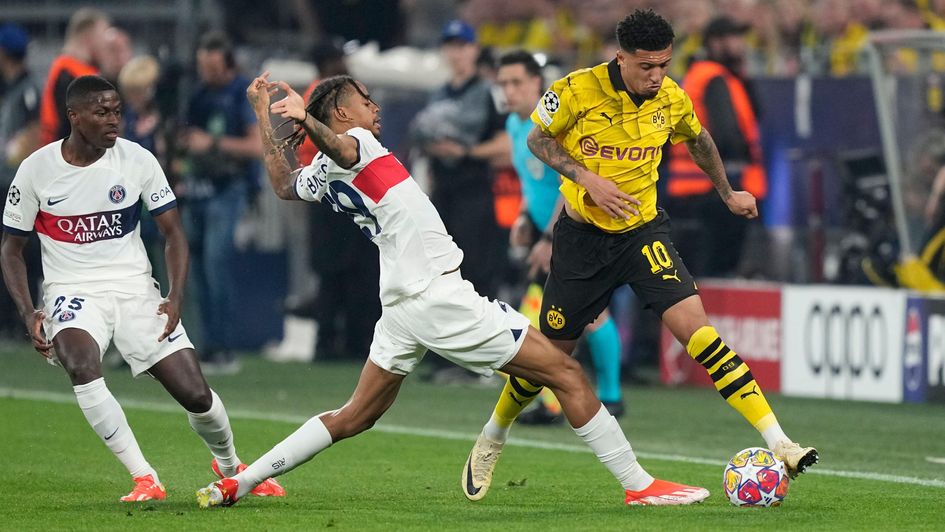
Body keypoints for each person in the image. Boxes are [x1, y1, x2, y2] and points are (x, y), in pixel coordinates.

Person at [195, 71, 710, 508]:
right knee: (567, 372)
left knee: (356, 415)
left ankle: (240, 481)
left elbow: (285, 184)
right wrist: (304, 118)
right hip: (438, 298)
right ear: (344, 115)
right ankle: (639, 486)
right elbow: (338, 143)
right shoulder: (358, 147)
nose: (375, 108)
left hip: (401, 305)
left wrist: (263, 114)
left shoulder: (323, 174)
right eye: (364, 101)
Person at [461, 9, 818, 503]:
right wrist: (587, 179)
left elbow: (699, 138)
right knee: (548, 358)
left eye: (664, 65)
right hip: (583, 242)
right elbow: (537, 139)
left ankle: (780, 441)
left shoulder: (670, 97)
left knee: (701, 333)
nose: (656, 76)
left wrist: (727, 192)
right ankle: (493, 434)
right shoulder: (575, 90)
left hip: (643, 233)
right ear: (621, 57)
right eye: (646, 66)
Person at [0, 75, 284, 502]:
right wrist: (28, 312)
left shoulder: (137, 160)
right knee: (81, 364)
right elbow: (11, 250)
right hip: (72, 291)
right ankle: (145, 477)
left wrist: (174, 297)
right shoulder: (37, 170)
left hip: (134, 288)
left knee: (196, 394)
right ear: (74, 117)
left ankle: (232, 467)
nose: (114, 120)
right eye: (102, 113)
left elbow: (174, 233)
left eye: (117, 111)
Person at [496, 50, 625, 425]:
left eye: (517, 82)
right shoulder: (513, 125)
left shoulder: (554, 125)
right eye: (504, 83)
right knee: (572, 316)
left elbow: (569, 183)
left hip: (574, 230)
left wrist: (551, 239)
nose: (509, 90)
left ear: (538, 83)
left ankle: (582, 400)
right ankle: (596, 399)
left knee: (578, 316)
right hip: (548, 233)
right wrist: (523, 215)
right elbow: (532, 183)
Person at [178, 31, 262, 373]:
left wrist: (210, 144)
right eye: (203, 67)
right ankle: (208, 343)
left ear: (228, 66)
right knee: (196, 269)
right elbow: (186, 141)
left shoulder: (241, 95)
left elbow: (256, 147)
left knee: (216, 264)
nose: (207, 74)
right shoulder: (197, 95)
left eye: (213, 68)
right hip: (197, 189)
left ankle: (223, 346)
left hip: (228, 189)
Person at [667, 16, 768, 278]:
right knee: (718, 271)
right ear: (716, 43)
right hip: (714, 192)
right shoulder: (714, 78)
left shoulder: (708, 75)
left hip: (694, 190)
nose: (740, 44)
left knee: (696, 272)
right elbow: (725, 136)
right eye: (734, 38)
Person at [0, 22, 41, 338]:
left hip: (18, 183)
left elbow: (35, 133)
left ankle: (20, 321)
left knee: (21, 251)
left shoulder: (28, 89)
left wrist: (14, 149)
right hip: (6, 180)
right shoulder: (10, 87)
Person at [39, 7, 110, 146]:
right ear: (88, 36)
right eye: (103, 36)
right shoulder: (69, 74)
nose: (106, 43)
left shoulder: (76, 70)